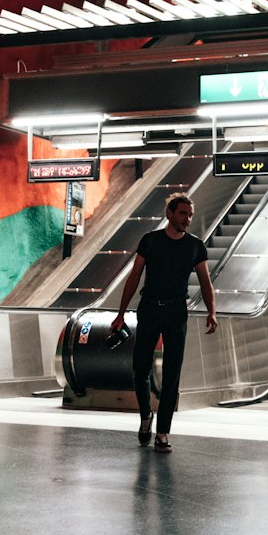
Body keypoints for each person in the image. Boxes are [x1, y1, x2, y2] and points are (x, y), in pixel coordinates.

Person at [110, 193, 217, 453]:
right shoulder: (150, 241)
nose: (187, 219)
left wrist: (212, 311)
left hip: (176, 313)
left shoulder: (195, 246)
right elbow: (135, 276)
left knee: (172, 374)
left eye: (190, 215)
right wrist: (121, 313)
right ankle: (146, 415)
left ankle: (163, 432)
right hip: (149, 309)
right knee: (140, 369)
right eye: (183, 214)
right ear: (170, 214)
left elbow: (205, 281)